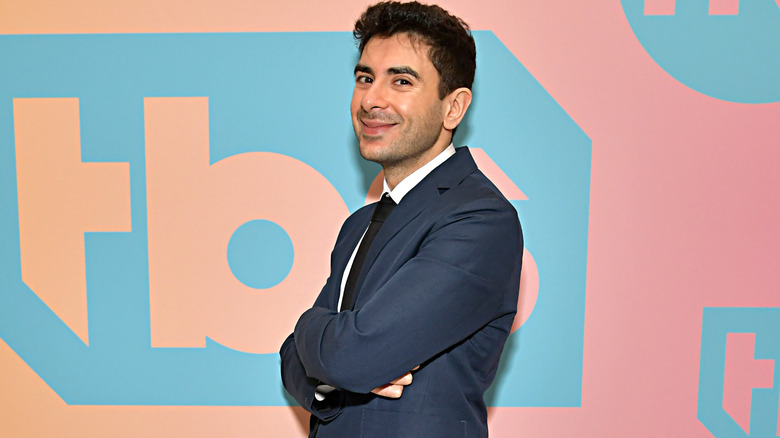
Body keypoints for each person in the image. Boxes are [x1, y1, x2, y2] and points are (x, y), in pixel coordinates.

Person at [280, 2, 523, 436]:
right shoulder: (359, 224)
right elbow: (294, 364)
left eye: (402, 81)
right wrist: (329, 378)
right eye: (365, 78)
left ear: (454, 108)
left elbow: (349, 356)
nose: (372, 99)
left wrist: (306, 327)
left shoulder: (480, 219)